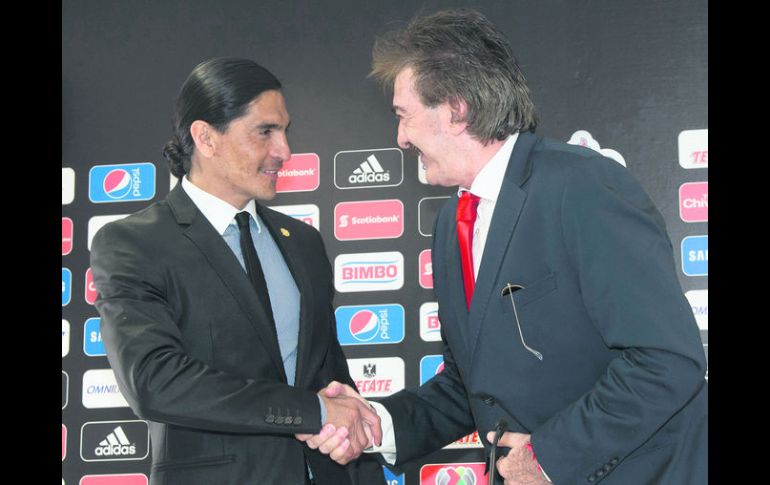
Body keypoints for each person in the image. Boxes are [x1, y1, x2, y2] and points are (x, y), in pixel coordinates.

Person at [300, 9, 708, 485]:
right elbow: (470, 387)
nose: (400, 138)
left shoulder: (582, 186)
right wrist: (376, 423)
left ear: (456, 109)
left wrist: (548, 458)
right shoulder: (452, 222)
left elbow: (665, 361)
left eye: (403, 116)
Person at [90, 57, 384, 485]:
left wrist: (349, 432)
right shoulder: (134, 243)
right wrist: (312, 411)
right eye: (265, 131)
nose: (284, 151)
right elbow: (155, 381)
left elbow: (331, 378)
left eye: (285, 130)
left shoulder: (303, 243)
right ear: (205, 137)